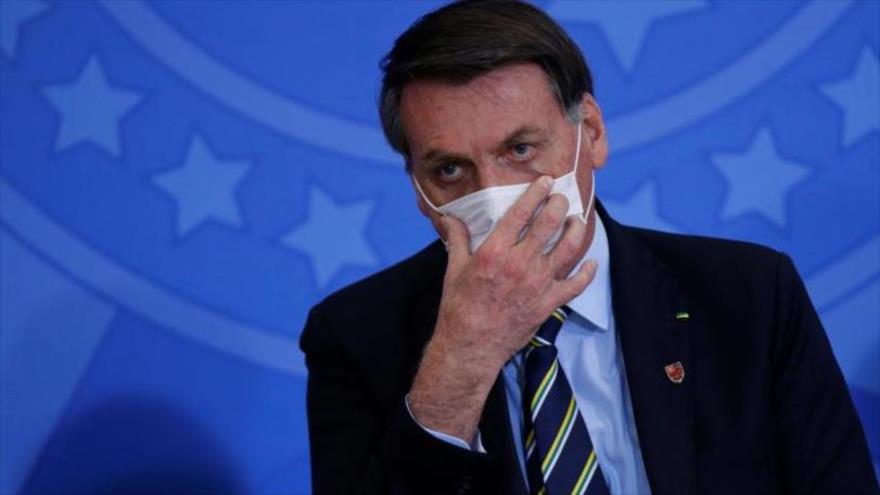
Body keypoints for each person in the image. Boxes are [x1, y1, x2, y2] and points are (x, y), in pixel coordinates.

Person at [299, 1, 878, 494]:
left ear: (591, 134)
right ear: (419, 191)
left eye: (521, 150)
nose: (494, 195)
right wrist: (464, 356)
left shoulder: (747, 296)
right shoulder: (356, 336)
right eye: (449, 168)